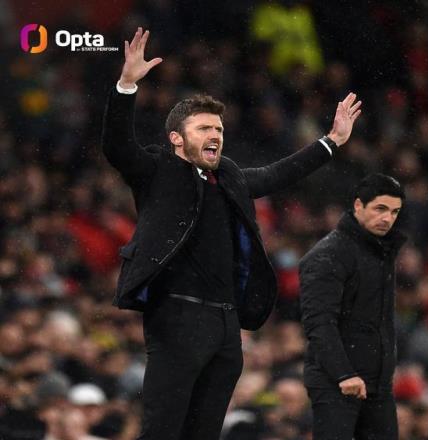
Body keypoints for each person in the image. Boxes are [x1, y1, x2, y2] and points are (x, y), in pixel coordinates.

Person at [101, 27, 361, 440]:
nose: (215, 135)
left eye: (219, 130)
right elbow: (118, 146)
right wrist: (127, 85)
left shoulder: (231, 177)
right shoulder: (158, 170)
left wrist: (331, 142)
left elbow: (277, 174)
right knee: (163, 430)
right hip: (177, 315)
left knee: (204, 433)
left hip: (226, 324)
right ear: (176, 138)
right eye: (204, 128)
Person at [299, 173, 406, 440]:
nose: (388, 218)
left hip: (377, 384)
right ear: (358, 205)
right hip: (336, 382)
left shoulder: (381, 251)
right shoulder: (329, 255)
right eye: (380, 208)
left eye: (394, 212)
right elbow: (319, 322)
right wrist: (343, 374)